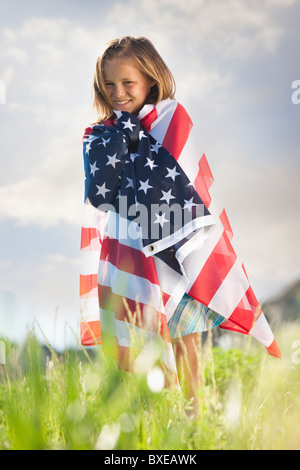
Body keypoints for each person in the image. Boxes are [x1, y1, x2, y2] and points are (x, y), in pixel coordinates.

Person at [80, 36, 281, 418]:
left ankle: (194, 419)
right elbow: (100, 194)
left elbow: (190, 182)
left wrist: (136, 144)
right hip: (129, 255)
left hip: (178, 250)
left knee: (184, 340)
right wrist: (123, 140)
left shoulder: (172, 119)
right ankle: (154, 422)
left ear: (151, 81)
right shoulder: (100, 135)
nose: (118, 93)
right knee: (138, 343)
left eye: (128, 83)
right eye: (109, 85)